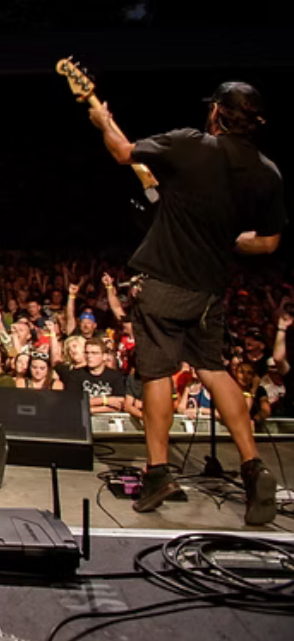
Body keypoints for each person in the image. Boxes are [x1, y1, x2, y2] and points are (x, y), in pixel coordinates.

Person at [89, 81, 284, 523]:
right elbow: (269, 243)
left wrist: (102, 121)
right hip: (209, 289)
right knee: (213, 369)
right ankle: (253, 467)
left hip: (161, 281)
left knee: (156, 371)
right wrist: (230, 242)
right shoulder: (267, 171)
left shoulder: (191, 144)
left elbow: (123, 152)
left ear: (216, 113)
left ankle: (158, 473)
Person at [65, 337, 126, 414]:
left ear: (104, 356)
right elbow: (72, 403)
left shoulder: (115, 376)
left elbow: (119, 404)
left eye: (94, 353)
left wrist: (90, 409)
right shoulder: (75, 375)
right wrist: (106, 400)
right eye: (87, 353)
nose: (89, 356)